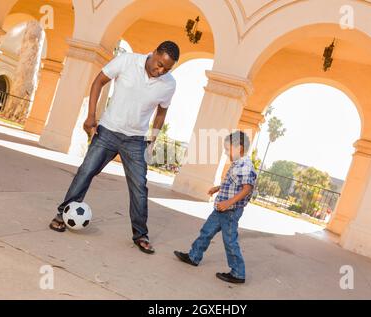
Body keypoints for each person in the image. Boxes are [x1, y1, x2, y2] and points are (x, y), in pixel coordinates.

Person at [49, 41, 180, 255]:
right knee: (85, 172)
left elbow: (161, 112)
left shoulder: (169, 84)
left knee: (139, 187)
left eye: (167, 68)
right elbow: (98, 82)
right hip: (108, 131)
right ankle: (63, 214)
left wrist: (152, 140)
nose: (161, 71)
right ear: (154, 52)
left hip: (136, 141)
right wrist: (91, 115)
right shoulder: (127, 60)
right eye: (159, 64)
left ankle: (140, 234)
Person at [174, 131, 257, 283]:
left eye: (228, 149)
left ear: (239, 148)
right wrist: (217, 188)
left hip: (230, 211)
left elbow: (246, 188)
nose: (226, 153)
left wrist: (228, 203)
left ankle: (238, 273)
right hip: (221, 209)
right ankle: (194, 256)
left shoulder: (246, 166)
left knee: (230, 241)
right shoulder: (238, 164)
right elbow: (233, 184)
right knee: (206, 231)